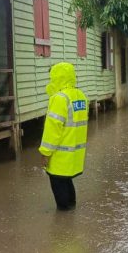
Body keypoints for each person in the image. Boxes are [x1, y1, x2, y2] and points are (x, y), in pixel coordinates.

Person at [39, 62, 88, 210]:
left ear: (57, 77)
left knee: (58, 182)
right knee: (67, 180)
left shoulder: (59, 98)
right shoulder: (80, 96)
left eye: (51, 77)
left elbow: (52, 129)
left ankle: (63, 226)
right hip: (75, 153)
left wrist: (45, 153)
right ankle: (71, 213)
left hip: (60, 154)